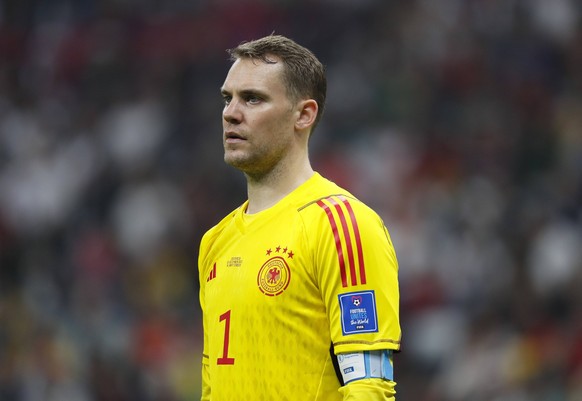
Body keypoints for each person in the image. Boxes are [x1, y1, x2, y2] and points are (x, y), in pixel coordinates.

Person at [198, 34, 401, 400]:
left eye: (253, 98)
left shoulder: (342, 226)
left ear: (304, 114)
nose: (230, 112)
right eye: (228, 98)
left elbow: (369, 388)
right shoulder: (214, 242)